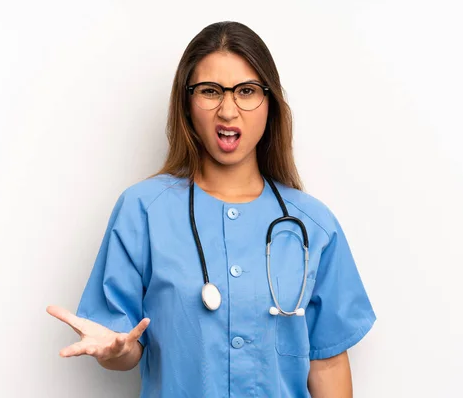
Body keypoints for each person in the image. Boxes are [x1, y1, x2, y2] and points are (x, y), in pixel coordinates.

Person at [47, 21, 376, 398]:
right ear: (186, 104)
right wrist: (115, 351)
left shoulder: (314, 226)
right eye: (210, 91)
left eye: (247, 91)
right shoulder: (143, 211)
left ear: (270, 103)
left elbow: (328, 362)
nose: (228, 110)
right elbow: (123, 344)